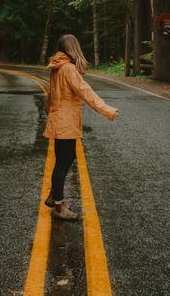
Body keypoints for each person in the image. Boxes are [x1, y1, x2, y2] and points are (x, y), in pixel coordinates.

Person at [43, 34, 119, 220]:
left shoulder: (57, 67)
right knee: (63, 162)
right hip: (65, 122)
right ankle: (59, 207)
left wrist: (51, 113)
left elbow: (50, 96)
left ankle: (55, 196)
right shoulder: (68, 69)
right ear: (73, 48)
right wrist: (107, 110)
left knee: (65, 158)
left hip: (59, 120)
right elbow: (86, 92)